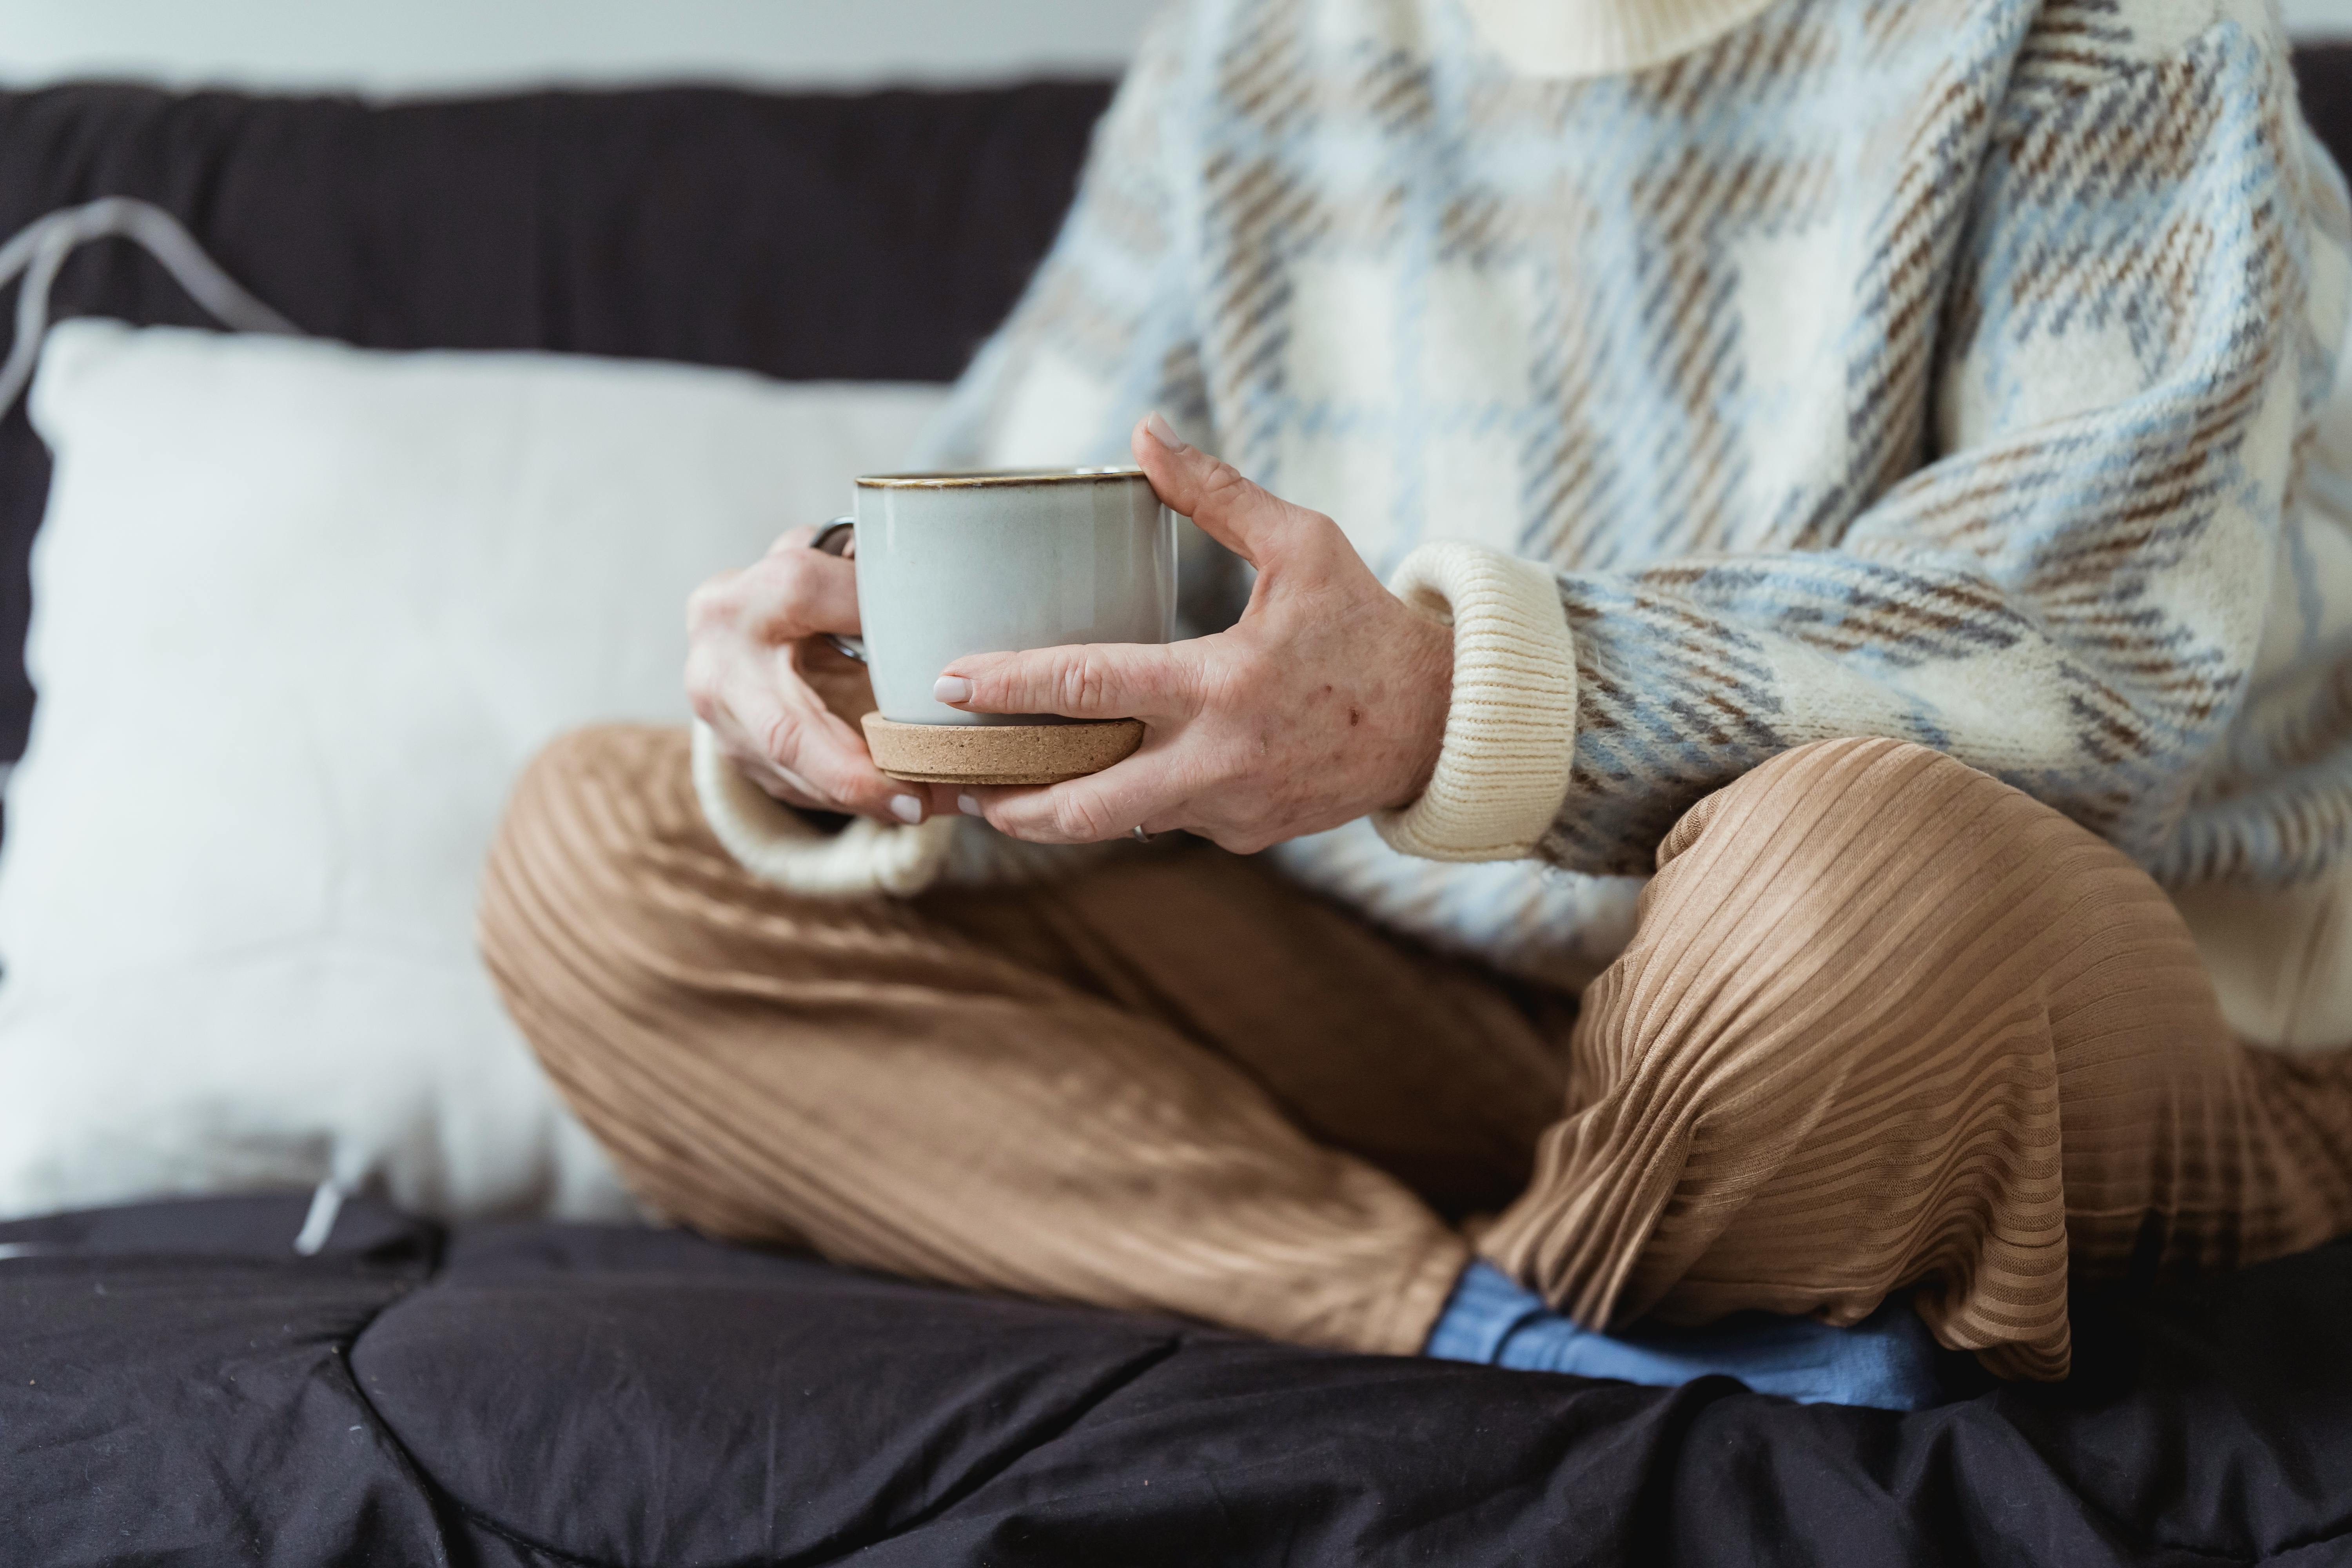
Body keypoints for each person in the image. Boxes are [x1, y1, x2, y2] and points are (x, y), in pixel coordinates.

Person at [479, 0, 2352, 1406]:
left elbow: (2090, 658)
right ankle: (1512, 1337)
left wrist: (1446, 699)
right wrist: (832, 686)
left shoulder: (2108, 29)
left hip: (2014, 1013)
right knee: (595, 845)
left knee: (1848, 871)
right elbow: (1011, 537)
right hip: (1444, 1024)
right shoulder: (1263, 48)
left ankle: (1485, 1303)